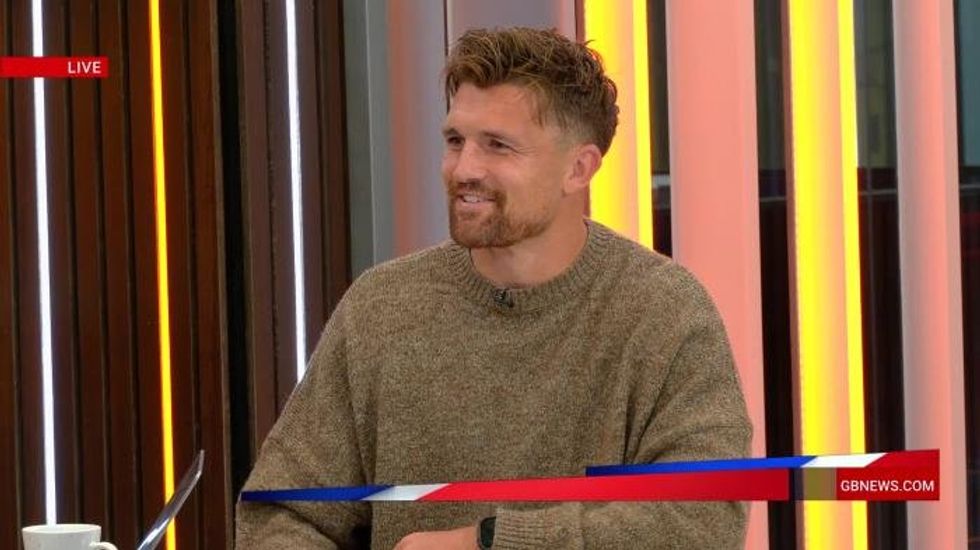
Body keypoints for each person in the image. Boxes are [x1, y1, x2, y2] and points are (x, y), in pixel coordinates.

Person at [236, 27, 751, 549]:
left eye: (498, 146)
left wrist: (487, 542)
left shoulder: (664, 312)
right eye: (455, 141)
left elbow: (702, 520)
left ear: (579, 168)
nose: (464, 169)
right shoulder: (382, 307)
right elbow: (281, 514)